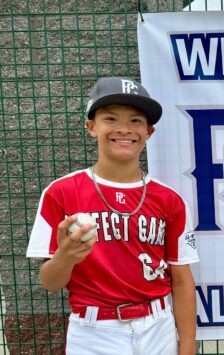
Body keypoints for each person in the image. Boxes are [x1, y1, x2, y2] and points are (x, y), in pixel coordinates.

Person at [26, 77, 199, 355]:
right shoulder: (61, 192)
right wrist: (65, 257)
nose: (123, 129)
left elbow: (181, 278)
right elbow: (50, 282)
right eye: (110, 118)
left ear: (149, 131)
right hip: (94, 331)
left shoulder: (169, 199)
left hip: (158, 326)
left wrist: (188, 347)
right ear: (91, 126)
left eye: (135, 121)